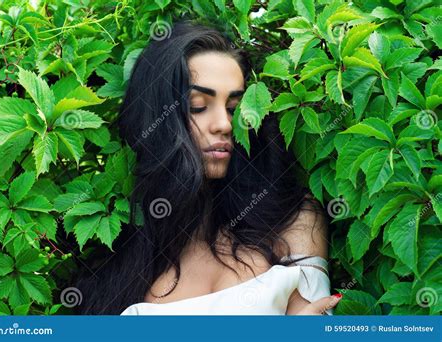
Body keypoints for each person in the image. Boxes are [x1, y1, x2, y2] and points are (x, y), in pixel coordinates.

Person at [75, 20, 342, 315]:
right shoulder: (123, 264)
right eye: (199, 106)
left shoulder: (292, 221)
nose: (224, 125)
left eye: (233, 108)